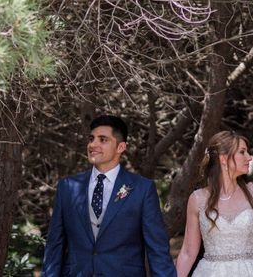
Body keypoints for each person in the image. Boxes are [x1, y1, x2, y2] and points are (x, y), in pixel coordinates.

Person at [43, 115, 176, 277]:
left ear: (120, 147)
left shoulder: (142, 189)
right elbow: (54, 245)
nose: (93, 145)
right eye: (91, 139)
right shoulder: (68, 187)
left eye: (103, 140)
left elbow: (157, 250)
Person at [175, 131, 253, 277]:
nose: (249, 157)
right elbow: (188, 251)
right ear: (224, 158)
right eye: (242, 152)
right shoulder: (197, 199)